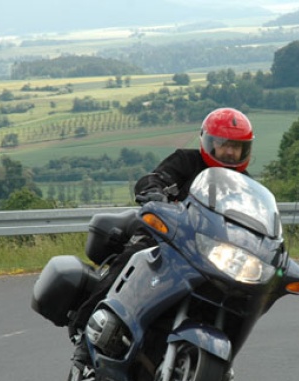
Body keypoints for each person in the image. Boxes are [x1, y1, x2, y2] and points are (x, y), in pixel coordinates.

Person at [70, 107, 255, 366]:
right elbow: (155, 178)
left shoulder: (245, 185)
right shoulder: (187, 161)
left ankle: (220, 361)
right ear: (207, 142)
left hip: (208, 250)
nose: (229, 152)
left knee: (242, 290)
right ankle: (85, 330)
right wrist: (153, 191)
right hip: (167, 234)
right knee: (132, 258)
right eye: (223, 145)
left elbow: (254, 216)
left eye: (237, 147)